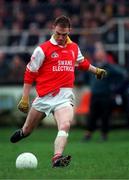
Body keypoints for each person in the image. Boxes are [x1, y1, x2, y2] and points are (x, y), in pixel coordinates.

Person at [10, 16, 107, 167]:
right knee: (28, 129)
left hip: (64, 97)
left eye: (64, 34)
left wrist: (96, 71)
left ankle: (57, 158)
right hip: (44, 97)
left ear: (69, 31)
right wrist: (25, 98)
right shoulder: (42, 49)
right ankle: (23, 132)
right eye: (58, 34)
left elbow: (81, 63)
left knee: (65, 125)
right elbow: (30, 73)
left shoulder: (74, 47)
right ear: (53, 29)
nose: (61, 37)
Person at [83, 42, 127, 142]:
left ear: (104, 54)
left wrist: (116, 88)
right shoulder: (92, 67)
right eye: (97, 52)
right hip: (94, 94)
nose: (98, 54)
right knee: (92, 115)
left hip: (106, 95)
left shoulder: (109, 67)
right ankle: (88, 134)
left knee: (105, 115)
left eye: (100, 52)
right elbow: (86, 77)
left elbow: (123, 74)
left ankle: (104, 134)